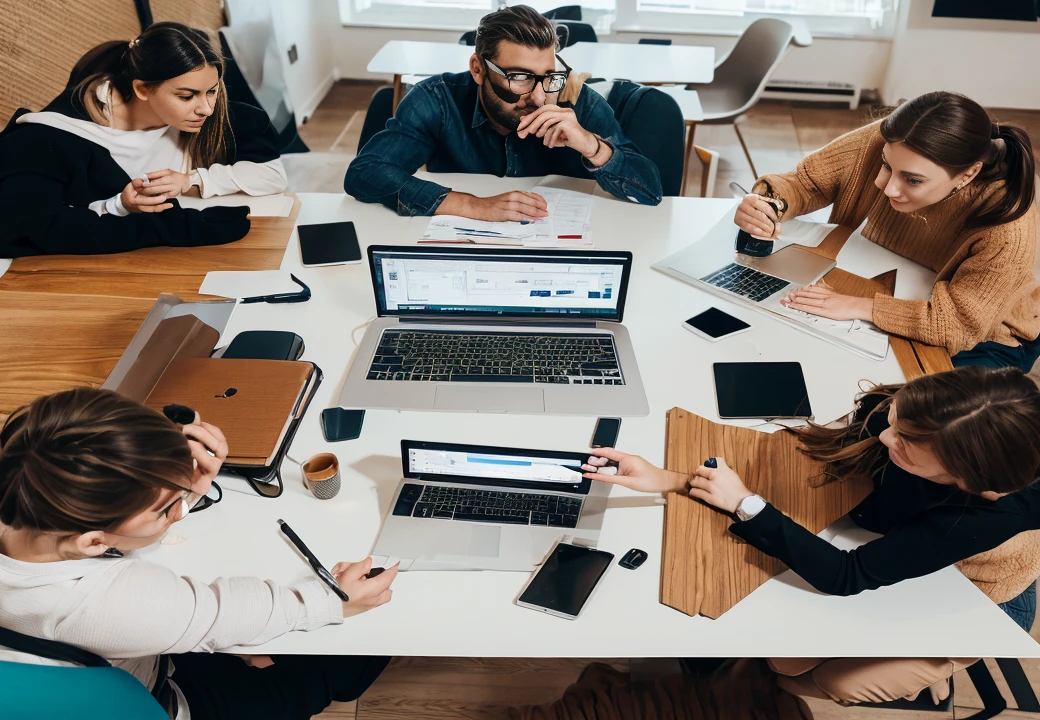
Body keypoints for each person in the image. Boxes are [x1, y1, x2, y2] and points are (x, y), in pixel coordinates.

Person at [0, 388, 397, 719]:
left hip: (117, 658)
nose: (181, 508)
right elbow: (219, 613)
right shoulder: (106, 602)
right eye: (167, 508)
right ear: (92, 542)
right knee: (344, 657)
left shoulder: (29, 493)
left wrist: (168, 477)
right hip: (166, 697)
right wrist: (331, 599)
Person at [583, 366, 1040, 628]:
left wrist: (746, 504)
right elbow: (825, 460)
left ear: (965, 477)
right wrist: (672, 479)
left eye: (904, 445)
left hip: (981, 581)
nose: (884, 437)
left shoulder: (987, 512)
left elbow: (847, 574)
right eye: (895, 419)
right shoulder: (947, 410)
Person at [733, 92, 1039, 371]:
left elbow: (956, 325)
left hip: (990, 338)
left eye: (913, 180)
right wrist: (771, 204)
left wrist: (859, 306)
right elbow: (807, 182)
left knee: (894, 414)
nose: (886, 186)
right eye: (885, 165)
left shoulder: (1009, 231)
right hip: (900, 284)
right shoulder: (892, 139)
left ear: (969, 173)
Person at [343, 5, 663, 220]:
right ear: (479, 69)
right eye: (519, 77)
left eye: (548, 76)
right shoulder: (438, 100)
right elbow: (364, 173)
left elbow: (650, 191)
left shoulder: (578, 102)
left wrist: (594, 147)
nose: (539, 97)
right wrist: (471, 205)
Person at [0, 22, 288, 257]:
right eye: (186, 96)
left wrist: (194, 180)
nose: (206, 108)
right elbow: (26, 229)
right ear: (141, 89)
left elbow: (272, 176)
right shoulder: (45, 139)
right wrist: (122, 207)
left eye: (212, 91)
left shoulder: (208, 116)